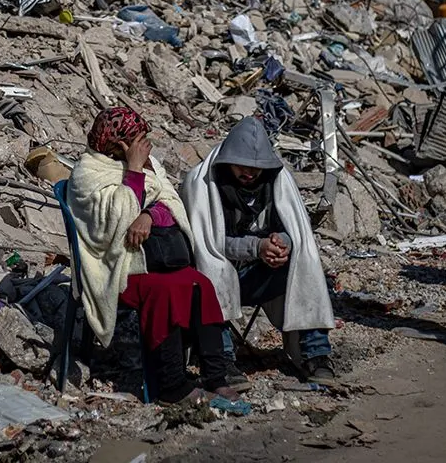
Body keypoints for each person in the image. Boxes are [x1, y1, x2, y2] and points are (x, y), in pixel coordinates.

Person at [66, 107, 238, 404]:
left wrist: (148, 215)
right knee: (167, 291)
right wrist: (132, 171)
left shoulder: (150, 165)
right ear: (118, 145)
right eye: (139, 141)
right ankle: (172, 385)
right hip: (116, 265)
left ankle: (216, 376)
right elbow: (110, 229)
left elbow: (169, 201)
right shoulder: (87, 174)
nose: (147, 148)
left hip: (155, 259)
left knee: (200, 284)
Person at [181, 117, 337, 387]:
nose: (249, 173)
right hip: (218, 275)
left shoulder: (276, 180)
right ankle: (222, 359)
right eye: (242, 166)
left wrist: (283, 243)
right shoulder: (203, 184)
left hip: (257, 273)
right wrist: (256, 247)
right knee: (210, 275)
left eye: (255, 168)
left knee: (305, 262)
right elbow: (206, 244)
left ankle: (316, 353)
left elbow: (294, 227)